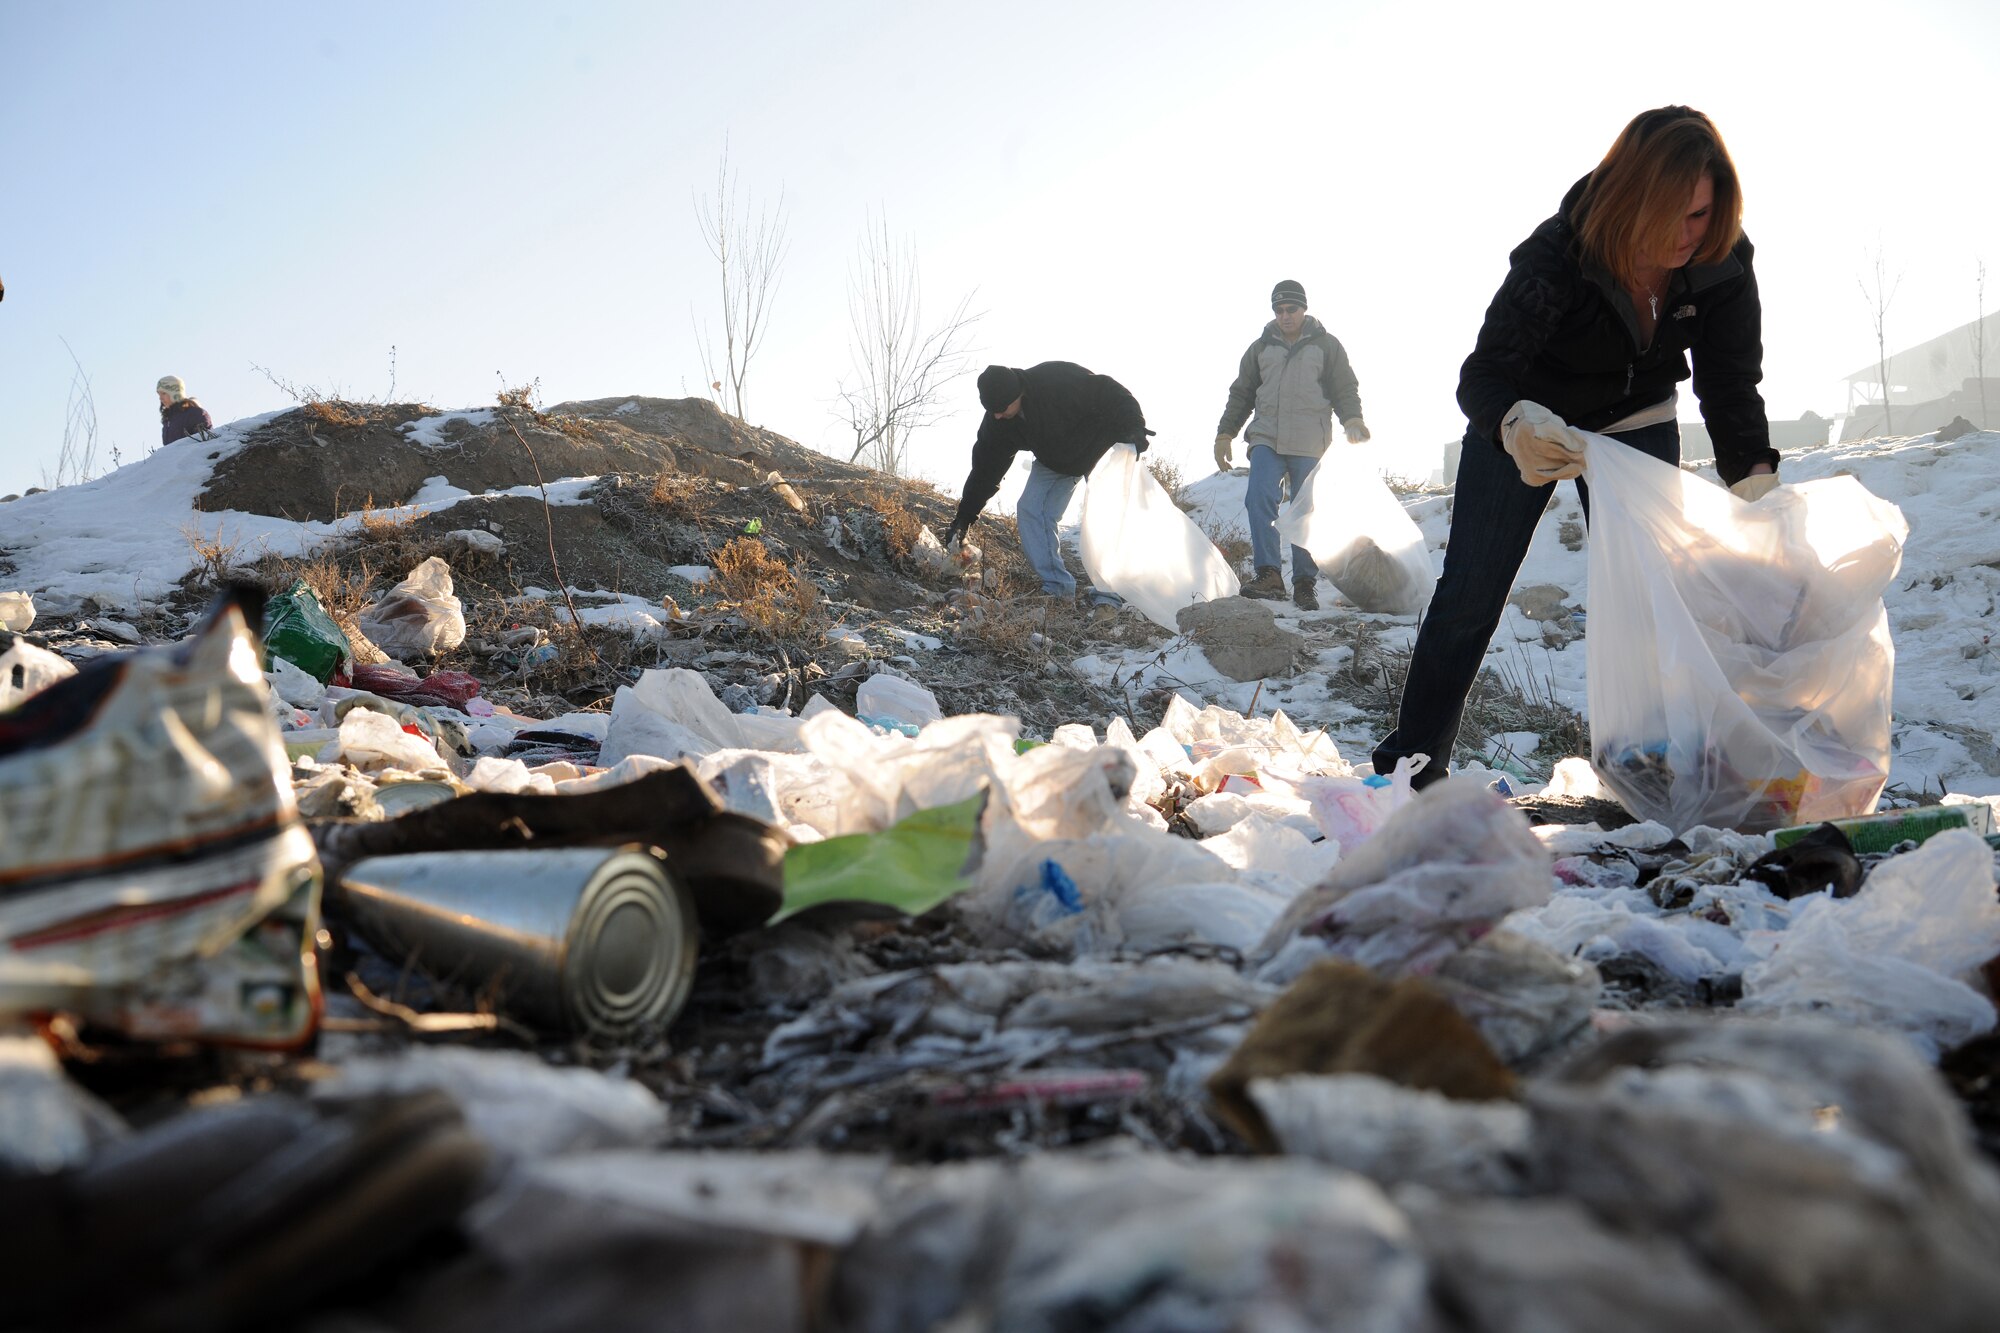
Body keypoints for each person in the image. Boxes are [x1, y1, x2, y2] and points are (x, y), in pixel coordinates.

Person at [1373, 105, 1778, 789]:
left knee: (1652, 600)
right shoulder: (1559, 254)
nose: (1689, 234)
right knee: (1472, 589)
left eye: (1703, 215)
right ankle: (1410, 767)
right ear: (1631, 201)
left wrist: (1755, 478)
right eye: (1673, 215)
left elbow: (1730, 382)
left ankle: (1651, 771)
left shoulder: (1722, 261)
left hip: (1638, 420)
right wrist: (1511, 425)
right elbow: (1485, 372)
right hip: (1535, 417)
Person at [943, 362, 1154, 606]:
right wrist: (965, 518)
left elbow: (1107, 389)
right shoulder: (998, 422)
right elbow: (985, 470)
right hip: (1056, 461)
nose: (997, 415)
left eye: (1001, 408)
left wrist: (1134, 425)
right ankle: (1058, 589)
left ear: (1018, 393)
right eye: (992, 410)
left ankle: (1109, 596)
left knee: (1103, 515)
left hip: (1101, 446)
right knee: (1031, 508)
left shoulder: (1057, 381)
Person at [1213, 279, 1369, 610]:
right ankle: (1269, 574)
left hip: (1310, 441)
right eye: (1279, 309)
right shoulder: (1260, 347)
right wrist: (1225, 433)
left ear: (1304, 308)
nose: (1285, 315)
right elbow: (1241, 394)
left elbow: (1345, 388)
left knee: (1306, 511)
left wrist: (1352, 419)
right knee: (1259, 497)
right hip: (1266, 436)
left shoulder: (1327, 346)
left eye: (1291, 309)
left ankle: (1304, 583)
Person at [158, 375, 213, 445]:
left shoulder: (195, 414)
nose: (160, 398)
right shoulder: (168, 421)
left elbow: (207, 443)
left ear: (175, 392)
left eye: (164, 393)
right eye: (159, 394)